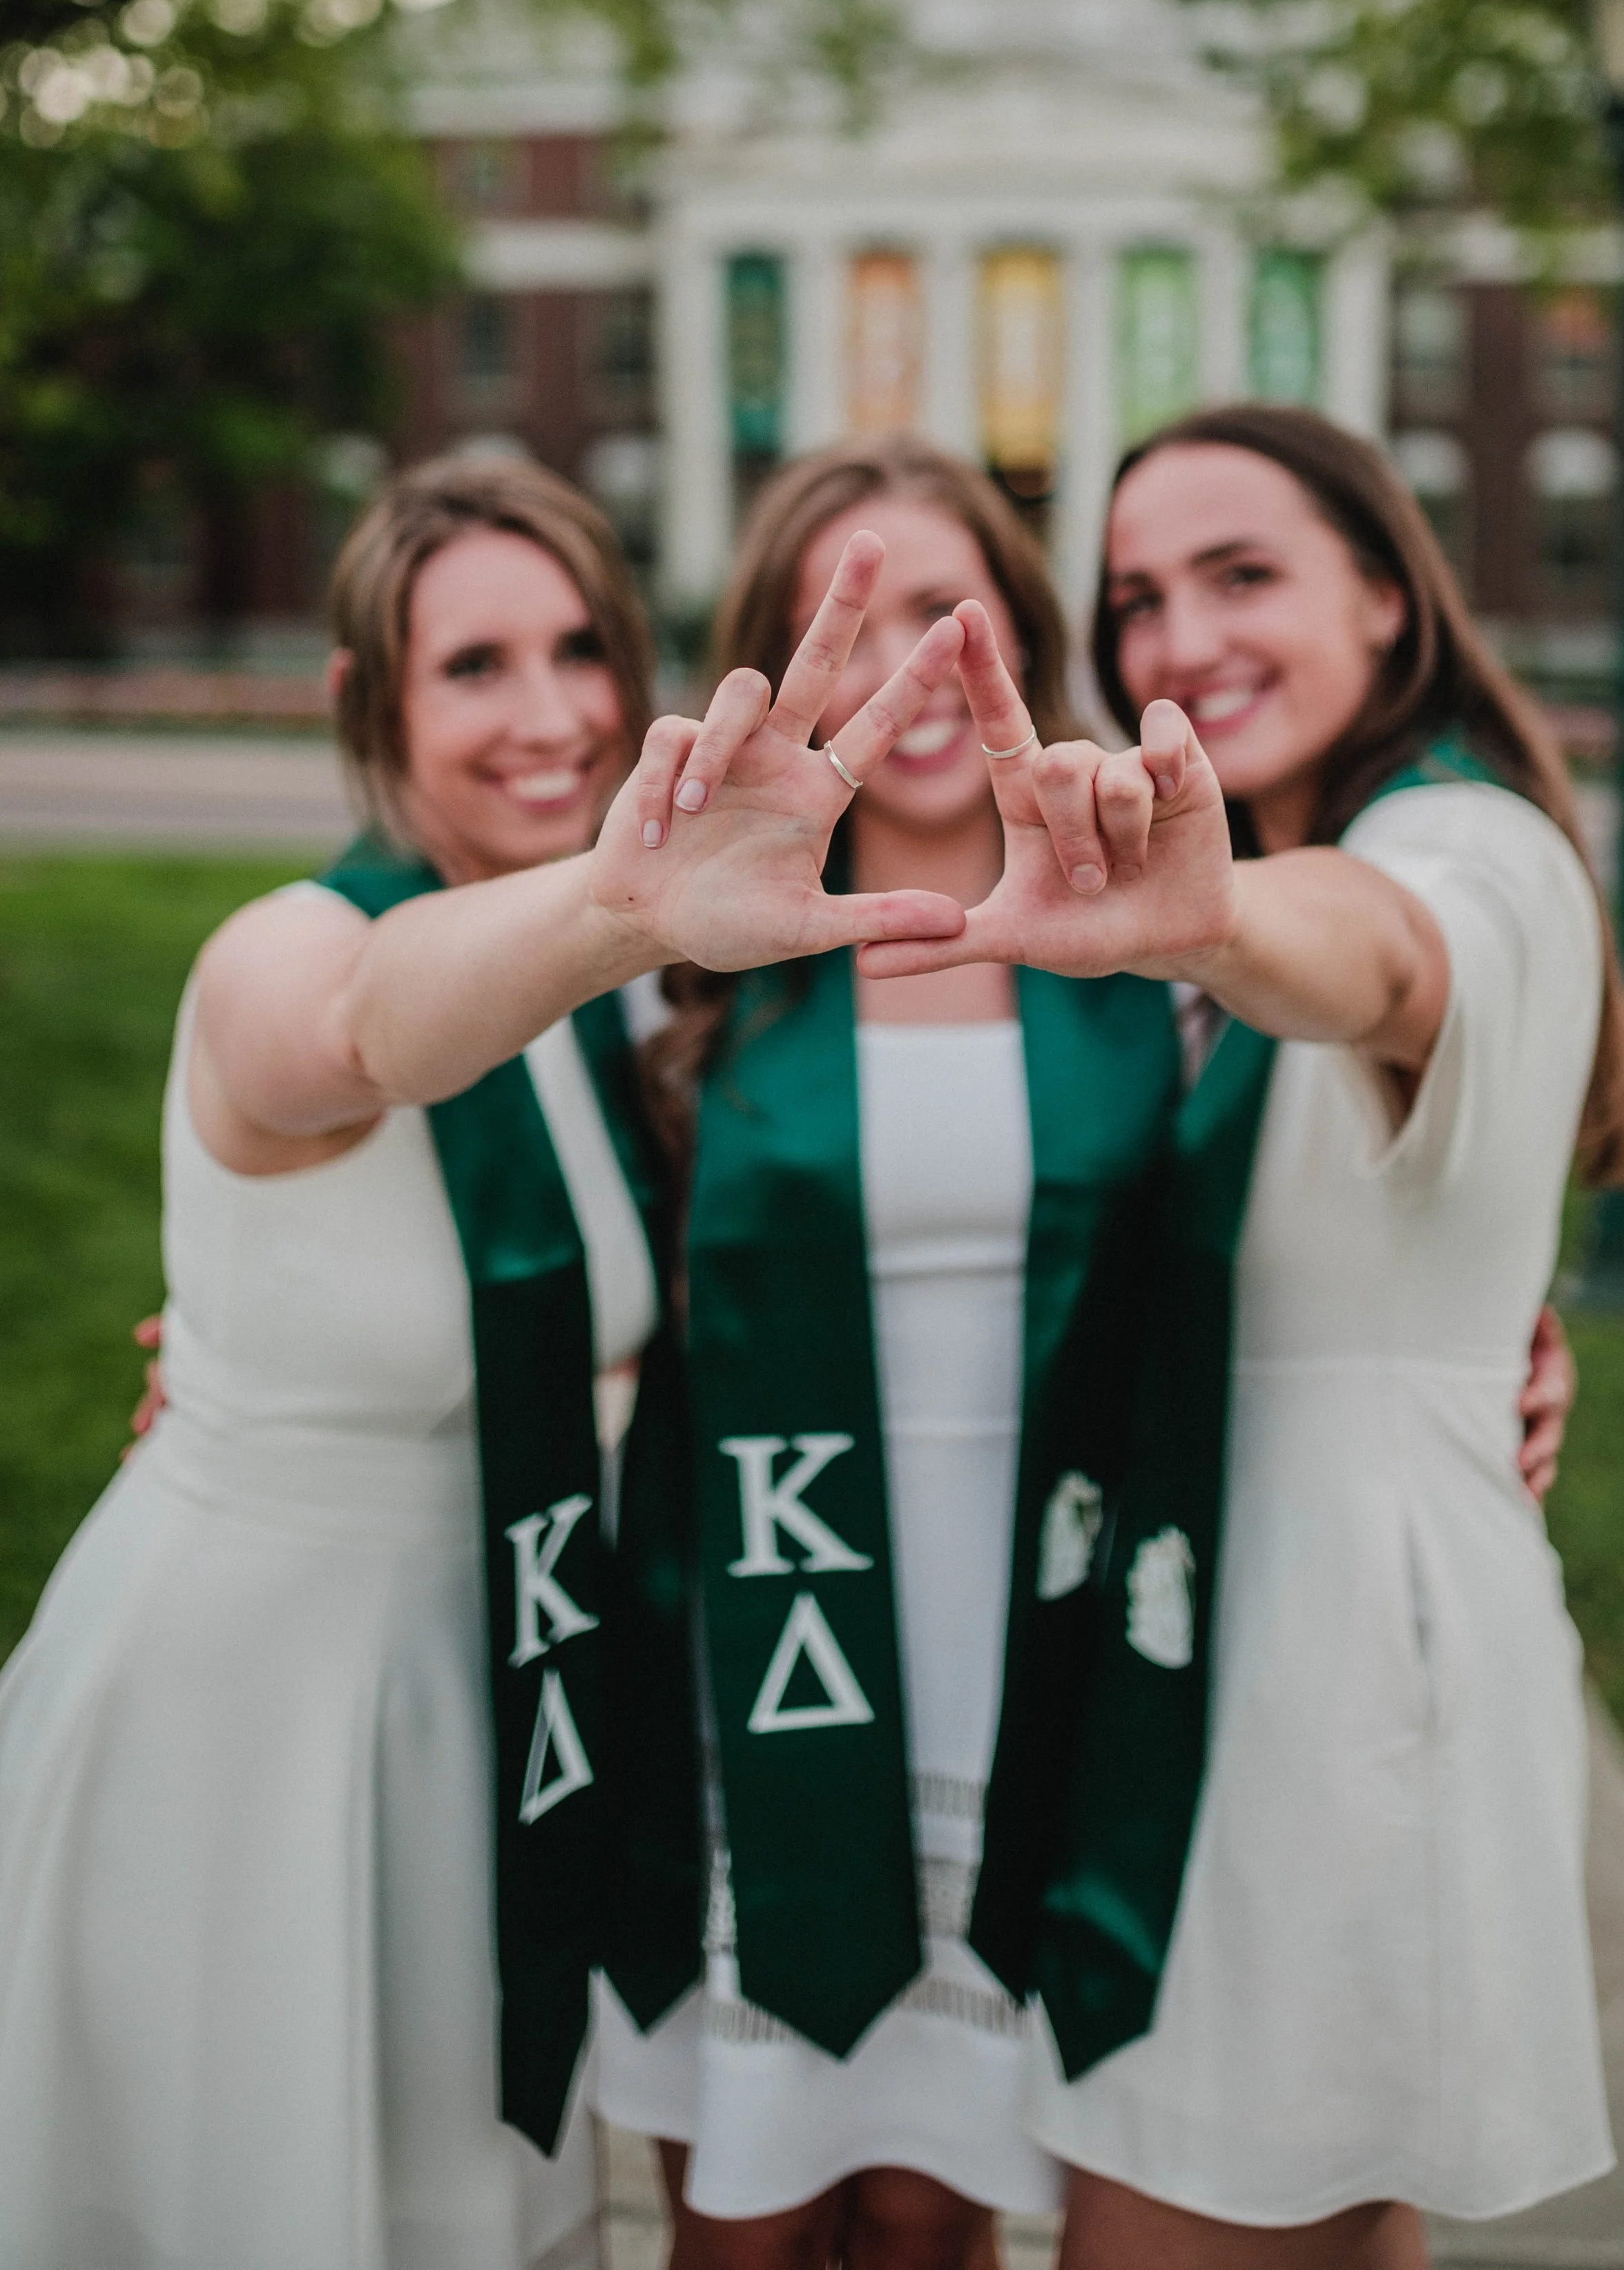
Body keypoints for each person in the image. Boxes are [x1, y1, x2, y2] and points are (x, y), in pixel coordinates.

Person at [0, 452, 968, 2270]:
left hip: (488, 1713)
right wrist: (623, 907)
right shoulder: (286, 947)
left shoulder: (609, 1013)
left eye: (577, 648)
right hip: (251, 1725)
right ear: (366, 702)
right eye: (472, 666)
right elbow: (365, 1033)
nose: (548, 715)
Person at [858, 405, 1624, 2270]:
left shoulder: (1451, 846)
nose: (1175, 637)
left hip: (1318, 1694)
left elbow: (1378, 952)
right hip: (1245, 1644)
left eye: (1243, 574)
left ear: (1385, 596)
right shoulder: (1289, 856)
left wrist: (1213, 918)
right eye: (1136, 595)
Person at [592, 433, 1187, 2270]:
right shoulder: (679, 969)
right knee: (749, 2220)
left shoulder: (1150, 951)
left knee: (934, 2219)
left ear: (1020, 626)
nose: (919, 665)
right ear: (784, 674)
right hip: (755, 1650)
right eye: (857, 626)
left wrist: (1517, 1342)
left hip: (1020, 1669)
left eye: (952, 608)